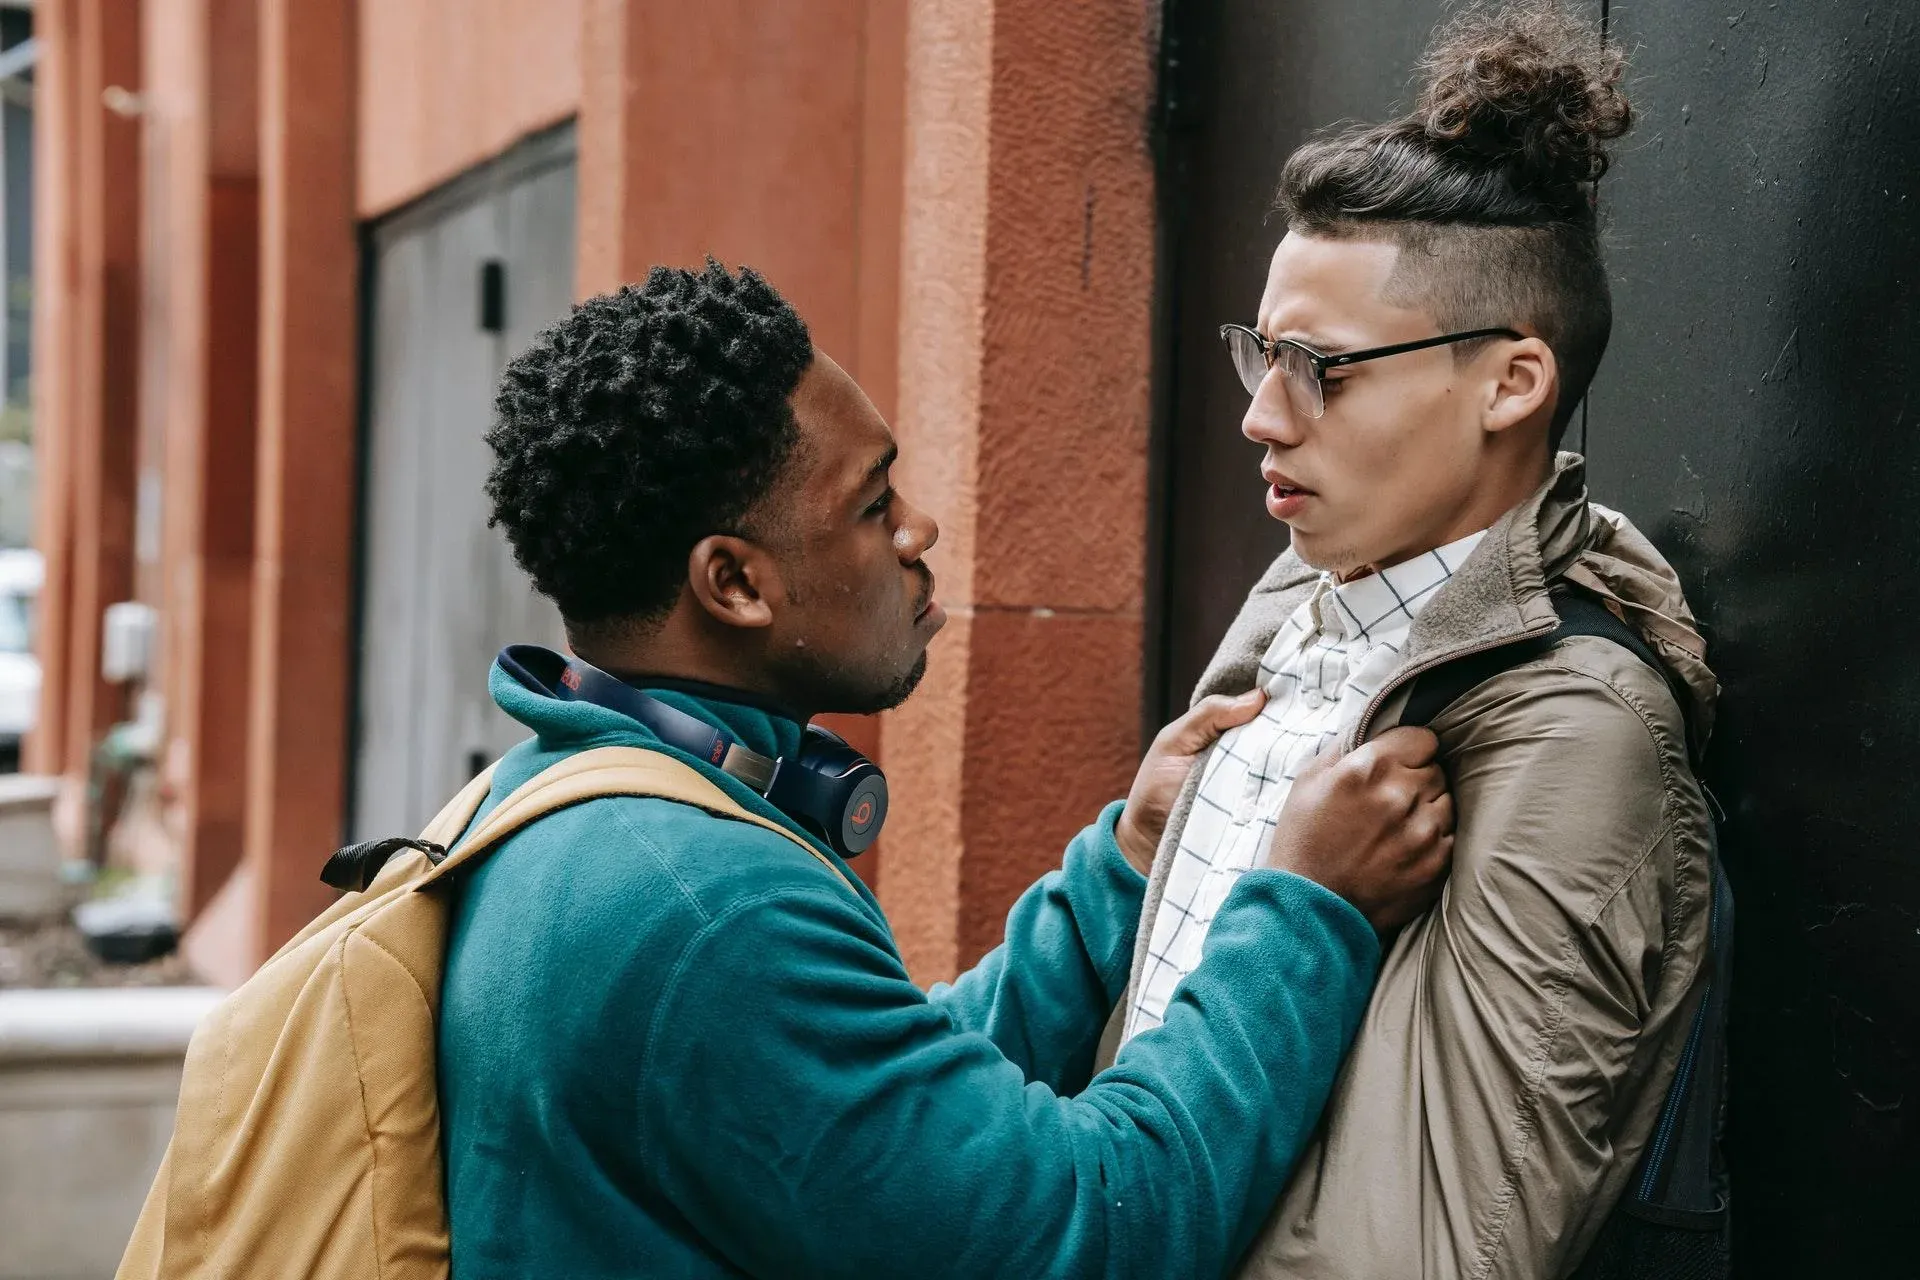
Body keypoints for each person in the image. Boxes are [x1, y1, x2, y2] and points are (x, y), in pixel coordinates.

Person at [437, 259, 1453, 1278]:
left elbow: (887, 1106)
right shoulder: (707, 909)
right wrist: (1309, 908)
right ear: (736, 582)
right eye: (874, 504)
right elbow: (1093, 1230)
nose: (918, 530)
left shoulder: (567, 805)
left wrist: (1125, 866)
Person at [1098, 4, 1720, 1276]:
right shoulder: (1299, 595)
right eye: (1261, 356)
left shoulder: (1577, 732)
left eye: (1322, 367)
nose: (1263, 418)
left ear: (1512, 383)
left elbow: (1437, 1245)